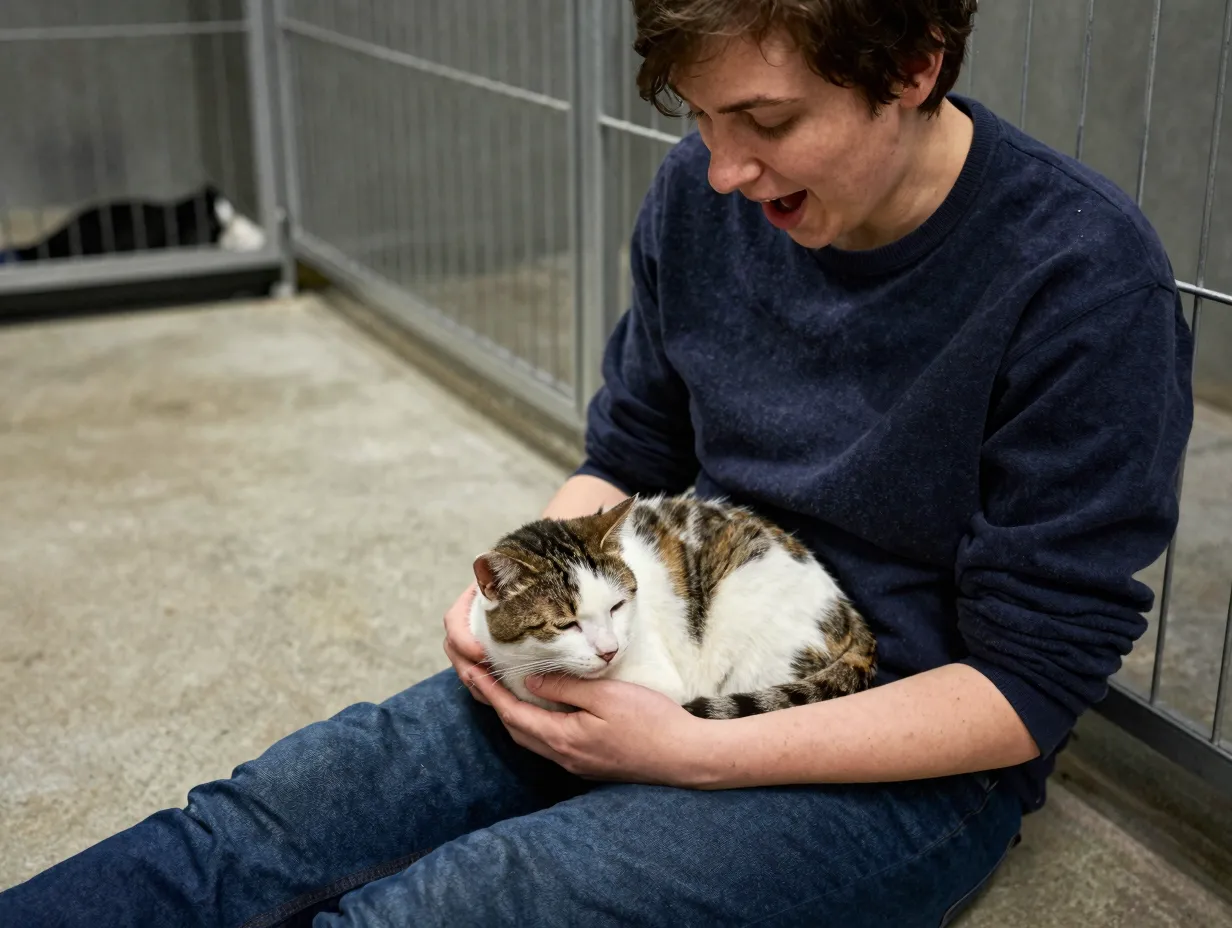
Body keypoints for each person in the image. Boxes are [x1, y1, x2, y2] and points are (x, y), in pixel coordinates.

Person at [0, 1, 1194, 925]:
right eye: (702, 118)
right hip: (653, 626)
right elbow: (626, 454)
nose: (724, 171)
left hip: (889, 737)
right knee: (257, 823)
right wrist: (505, 588)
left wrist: (694, 754)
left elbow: (1026, 689)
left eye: (767, 123)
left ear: (915, 65)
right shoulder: (703, 192)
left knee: (454, 905)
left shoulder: (1082, 278)